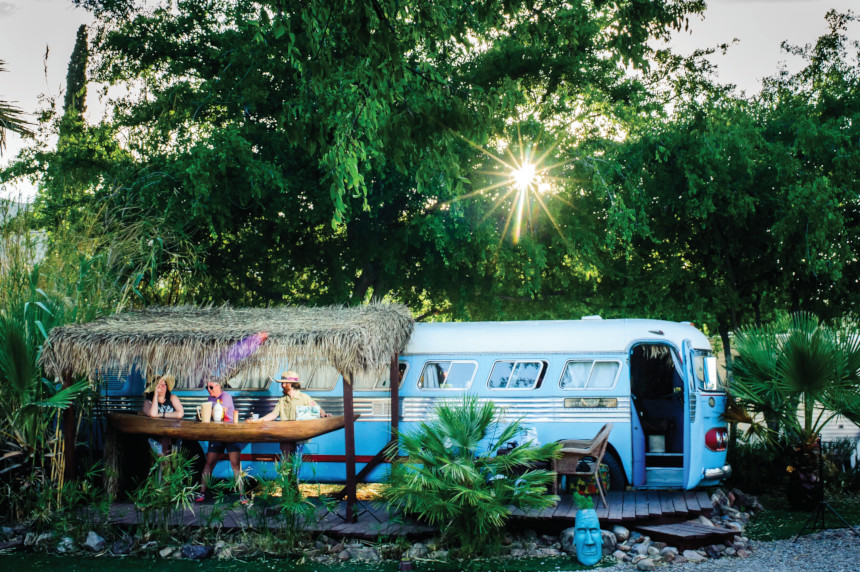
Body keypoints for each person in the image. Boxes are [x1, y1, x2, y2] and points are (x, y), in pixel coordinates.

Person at [247, 371, 331, 458]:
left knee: (296, 464)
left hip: (299, 437)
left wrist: (323, 414)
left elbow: (317, 408)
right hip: (286, 437)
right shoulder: (282, 400)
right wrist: (258, 420)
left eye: (283, 383)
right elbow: (273, 414)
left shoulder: (304, 397)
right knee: (285, 463)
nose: (282, 385)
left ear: (290, 384)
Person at [196, 379, 246, 503]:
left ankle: (242, 494)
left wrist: (206, 412)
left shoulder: (226, 396)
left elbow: (220, 413)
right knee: (209, 463)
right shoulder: (210, 399)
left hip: (230, 433)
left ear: (219, 386)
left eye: (211, 387)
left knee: (235, 464)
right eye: (207, 387)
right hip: (216, 433)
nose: (209, 390)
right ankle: (202, 492)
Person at [141, 374, 184, 455]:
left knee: (167, 442)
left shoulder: (172, 398)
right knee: (162, 444)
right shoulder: (148, 402)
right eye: (160, 385)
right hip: (155, 435)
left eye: (164, 384)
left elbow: (180, 414)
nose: (163, 387)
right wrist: (155, 395)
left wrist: (162, 415)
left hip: (172, 433)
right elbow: (153, 414)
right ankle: (163, 464)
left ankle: (166, 464)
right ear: (155, 388)